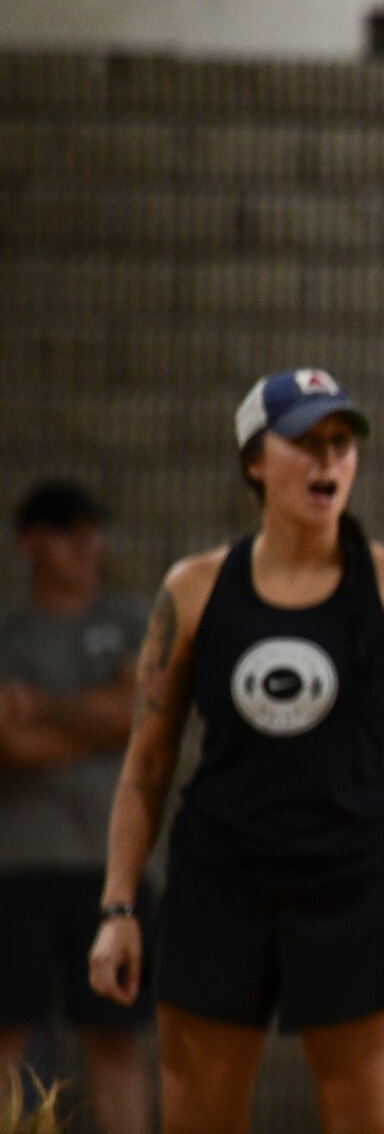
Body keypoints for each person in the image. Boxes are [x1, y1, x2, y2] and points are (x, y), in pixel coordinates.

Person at [86, 370, 384, 1134]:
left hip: (352, 886)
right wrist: (119, 906)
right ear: (255, 461)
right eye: (305, 443)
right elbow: (147, 766)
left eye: (340, 443)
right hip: (219, 883)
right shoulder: (192, 590)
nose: (328, 462)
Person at [0, 480, 151, 1134]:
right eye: (67, 531)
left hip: (113, 864)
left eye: (92, 529)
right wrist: (99, 719)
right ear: (30, 543)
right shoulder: (11, 633)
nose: (86, 545)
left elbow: (142, 711)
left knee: (114, 1035)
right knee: (8, 1033)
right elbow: (11, 744)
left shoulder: (130, 622)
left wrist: (44, 707)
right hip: (21, 859)